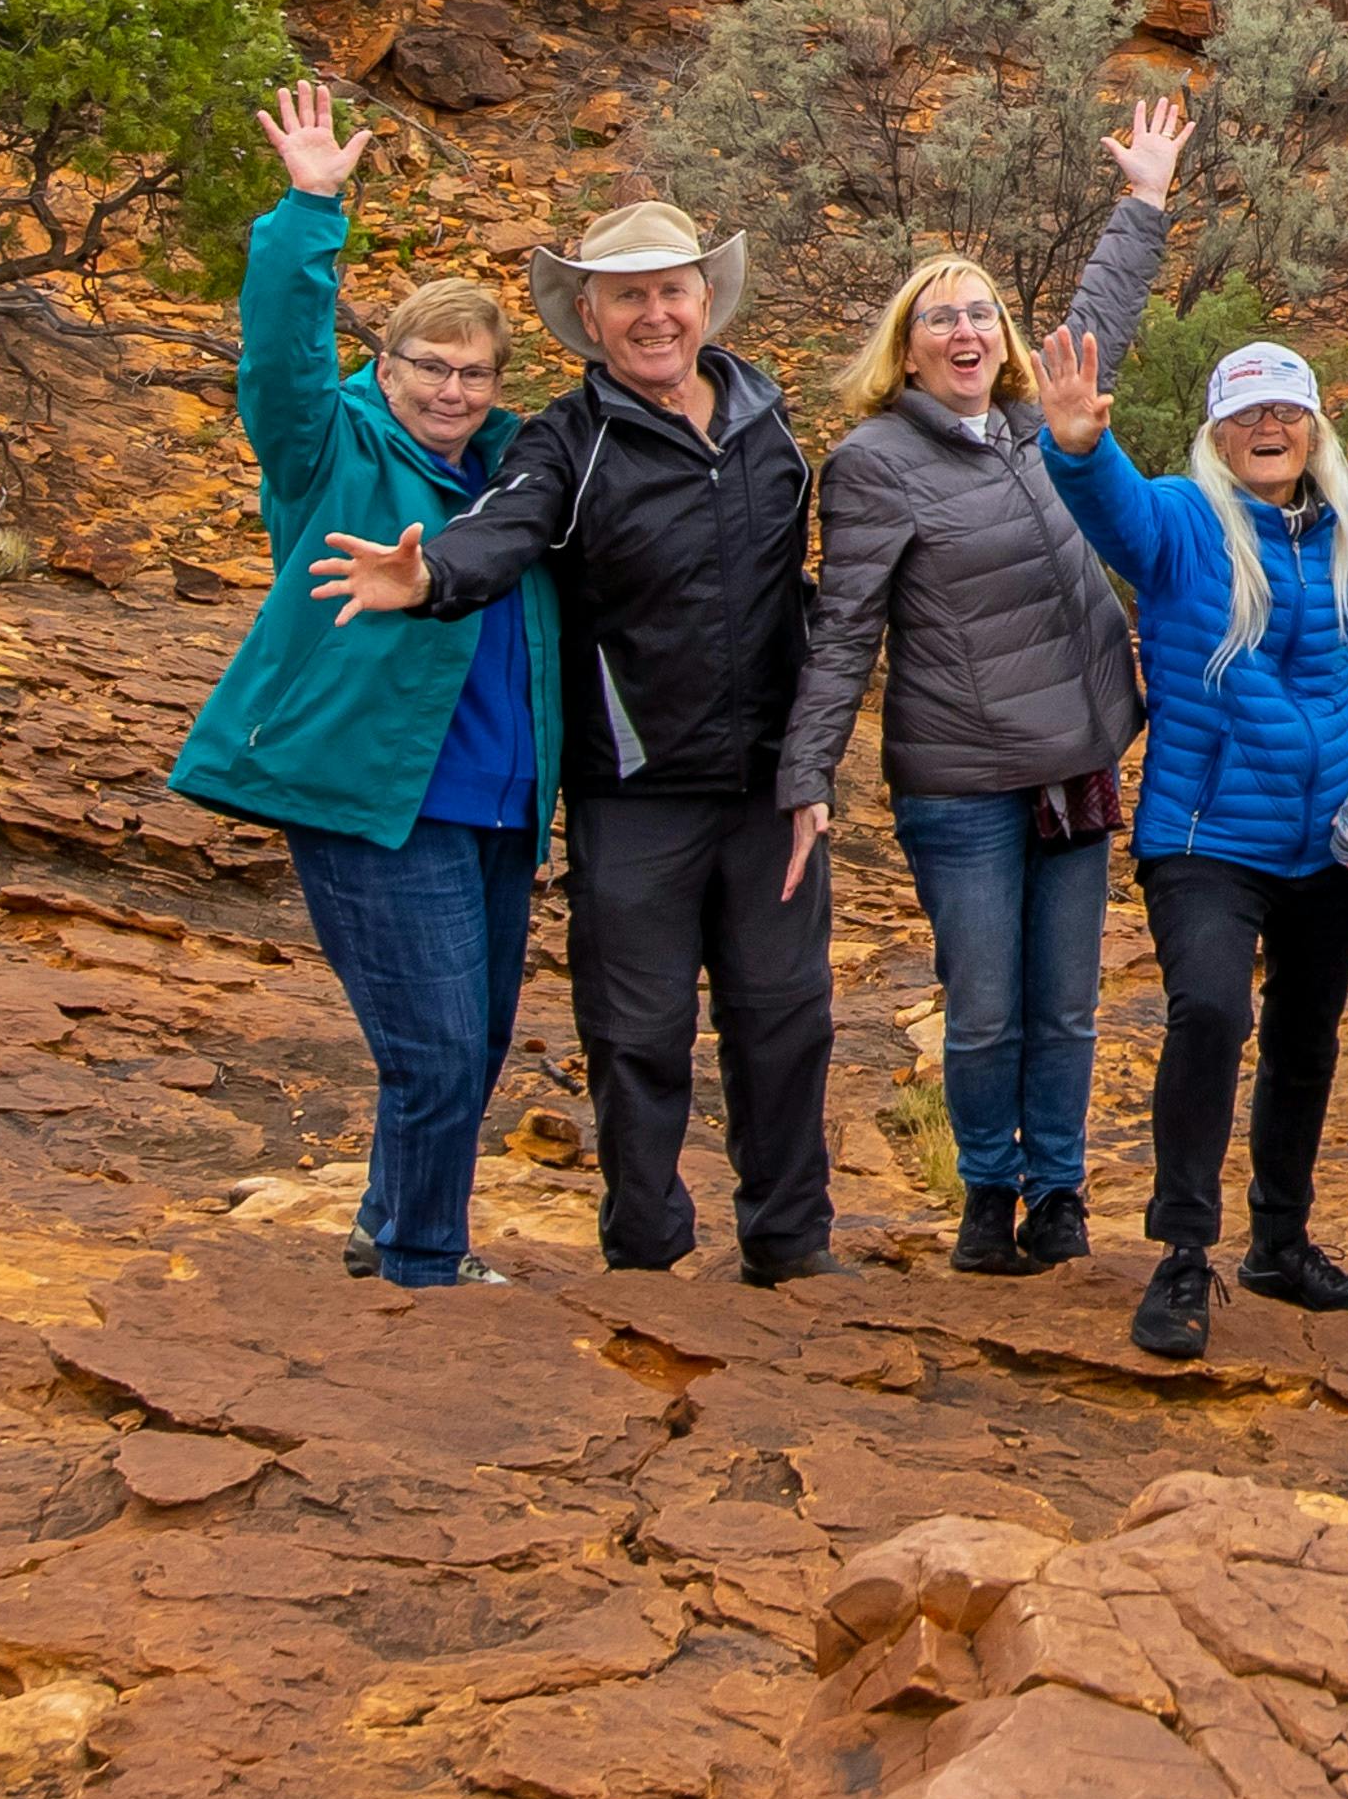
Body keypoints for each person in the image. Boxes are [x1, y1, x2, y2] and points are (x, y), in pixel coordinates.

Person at [315, 199, 836, 1286]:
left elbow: (799, 597)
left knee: (784, 1021)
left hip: (769, 791)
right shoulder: (566, 439)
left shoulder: (768, 421)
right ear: (591, 318)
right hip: (634, 791)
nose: (655, 314)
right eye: (628, 296)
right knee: (637, 1034)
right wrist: (430, 579)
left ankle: (790, 1246)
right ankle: (646, 1251)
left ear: (705, 301)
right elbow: (503, 529)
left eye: (672, 290)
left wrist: (813, 760)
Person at [1020, 133, 1348, 1362]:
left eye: (1288, 409)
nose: (1270, 425)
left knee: (1304, 1036)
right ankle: (1183, 1255)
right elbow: (1109, 513)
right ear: (1216, 429)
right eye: (1247, 410)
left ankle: (1281, 1241)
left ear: (1312, 429)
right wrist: (1078, 447)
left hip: (1330, 842)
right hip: (1205, 838)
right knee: (1208, 1016)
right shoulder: (1186, 523)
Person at [168, 79, 555, 1291]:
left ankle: (391, 1222)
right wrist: (308, 210)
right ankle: (424, 1265)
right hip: (375, 799)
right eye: (430, 367)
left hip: (500, 803)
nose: (451, 391)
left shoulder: (514, 478)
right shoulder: (326, 448)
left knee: (476, 1044)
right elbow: (280, 358)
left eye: (477, 374)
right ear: (383, 366)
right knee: (434, 1050)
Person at [772, 187, 1148, 1282]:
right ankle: (988, 1191)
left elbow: (1104, 312)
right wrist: (810, 774)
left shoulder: (1043, 428)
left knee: (1067, 1006)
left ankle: (1060, 1192)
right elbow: (842, 632)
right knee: (985, 1008)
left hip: (1073, 765)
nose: (965, 330)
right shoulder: (875, 463)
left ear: (1005, 339)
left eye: (980, 311)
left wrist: (1141, 202)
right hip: (963, 784)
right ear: (907, 350)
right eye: (938, 318)